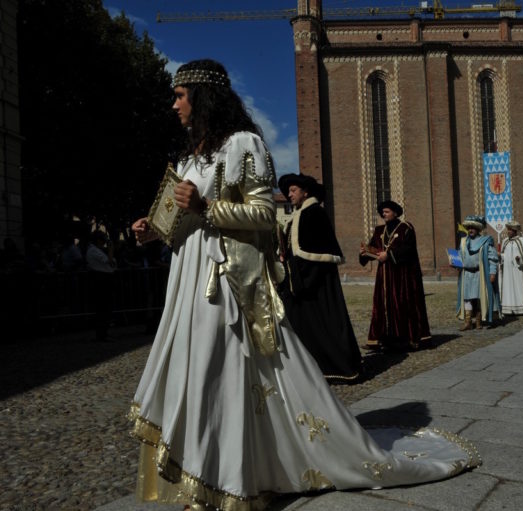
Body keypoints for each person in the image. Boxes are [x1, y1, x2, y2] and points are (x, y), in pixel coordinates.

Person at [129, 60, 476, 511]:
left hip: (226, 280)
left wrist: (208, 205)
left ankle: (233, 479)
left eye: (179, 94)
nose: (173, 103)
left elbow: (261, 216)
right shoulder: (191, 157)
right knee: (194, 371)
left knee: (222, 372)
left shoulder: (244, 144)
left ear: (202, 96)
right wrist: (152, 230)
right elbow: (179, 222)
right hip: (189, 276)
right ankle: (204, 475)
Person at [278, 172, 362, 382]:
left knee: (323, 324)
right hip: (300, 280)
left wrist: (300, 276)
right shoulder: (297, 216)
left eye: (293, 190)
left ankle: (334, 366)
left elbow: (318, 251)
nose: (290, 194)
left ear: (305, 192)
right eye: (288, 191)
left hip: (316, 282)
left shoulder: (314, 214)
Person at [359, 200, 432, 350]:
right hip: (384, 276)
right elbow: (373, 247)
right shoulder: (379, 231)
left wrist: (390, 255)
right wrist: (364, 253)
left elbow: (409, 249)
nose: (384, 214)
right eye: (383, 212)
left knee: (402, 304)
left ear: (395, 213)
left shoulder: (406, 227)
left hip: (402, 276)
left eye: (387, 212)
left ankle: (406, 339)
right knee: (382, 306)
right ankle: (381, 339)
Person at [455, 214, 499, 330]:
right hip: (467, 275)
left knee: (479, 298)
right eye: (469, 228)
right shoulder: (463, 242)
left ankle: (479, 321)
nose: (470, 230)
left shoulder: (485, 241)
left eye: (473, 228)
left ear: (478, 229)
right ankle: (468, 322)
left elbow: (493, 258)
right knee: (467, 298)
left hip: (480, 274)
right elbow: (459, 256)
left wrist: (492, 273)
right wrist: (455, 262)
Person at [499, 220, 523, 316]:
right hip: (508, 271)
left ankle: (522, 308)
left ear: (515, 230)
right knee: (508, 288)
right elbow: (504, 256)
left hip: (519, 271)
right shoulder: (505, 242)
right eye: (507, 229)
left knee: (519, 288)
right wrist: (500, 257)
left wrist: (519, 259)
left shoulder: (522, 241)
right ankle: (508, 308)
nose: (508, 231)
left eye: (510, 230)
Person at [85, 230, 116, 341]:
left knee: (105, 308)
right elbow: (110, 262)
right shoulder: (93, 251)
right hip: (101, 279)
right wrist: (111, 248)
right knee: (102, 308)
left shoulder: (96, 250)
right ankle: (102, 334)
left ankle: (104, 333)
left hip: (103, 278)